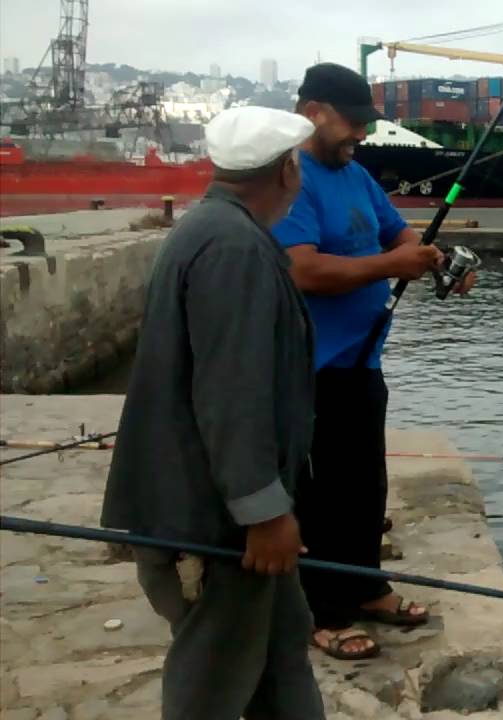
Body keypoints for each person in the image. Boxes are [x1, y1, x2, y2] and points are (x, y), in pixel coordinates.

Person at [101, 106, 324, 719]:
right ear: (285, 170)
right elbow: (233, 392)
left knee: (281, 663)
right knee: (212, 684)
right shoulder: (235, 250)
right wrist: (264, 512)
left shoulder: (210, 231)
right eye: (297, 167)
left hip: (218, 516)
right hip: (217, 524)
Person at [273, 62, 477, 660]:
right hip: (312, 368)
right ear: (313, 111)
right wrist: (395, 267)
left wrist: (438, 260)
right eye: (353, 122)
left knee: (364, 485)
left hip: (362, 362)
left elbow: (398, 237)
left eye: (366, 122)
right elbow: (302, 269)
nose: (361, 133)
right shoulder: (293, 178)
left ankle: (364, 589)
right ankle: (323, 611)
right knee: (322, 494)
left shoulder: (356, 175)